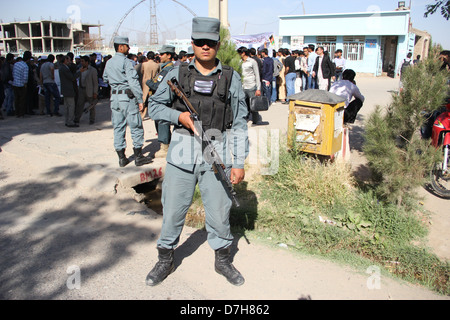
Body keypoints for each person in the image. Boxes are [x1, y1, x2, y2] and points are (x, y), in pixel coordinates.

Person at [146, 17, 249, 287]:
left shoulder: (230, 77)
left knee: (218, 210)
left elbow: (239, 122)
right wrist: (180, 119)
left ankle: (223, 260)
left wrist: (238, 162)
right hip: (182, 153)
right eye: (200, 42)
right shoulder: (177, 73)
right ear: (192, 43)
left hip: (217, 153)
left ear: (217, 44)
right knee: (173, 210)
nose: (205, 47)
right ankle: (165, 258)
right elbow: (154, 107)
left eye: (211, 43)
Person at [103, 36, 152, 168]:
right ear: (120, 47)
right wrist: (140, 99)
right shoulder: (126, 62)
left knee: (118, 127)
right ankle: (138, 156)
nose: (128, 48)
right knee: (135, 125)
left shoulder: (109, 62)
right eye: (127, 46)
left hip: (114, 98)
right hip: (127, 98)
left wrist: (116, 83)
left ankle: (122, 158)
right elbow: (133, 82)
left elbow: (105, 78)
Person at [151, 45, 176, 158]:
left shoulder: (167, 69)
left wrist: (149, 83)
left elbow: (158, 85)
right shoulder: (165, 68)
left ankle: (165, 146)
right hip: (162, 98)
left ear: (169, 55)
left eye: (162, 54)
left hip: (163, 99)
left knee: (162, 121)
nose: (160, 56)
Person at [237, 46, 262, 124]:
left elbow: (257, 75)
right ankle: (244, 120)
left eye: (239, 53)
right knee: (242, 105)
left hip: (251, 85)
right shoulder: (239, 62)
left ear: (243, 53)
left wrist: (258, 88)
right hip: (242, 86)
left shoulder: (252, 61)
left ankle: (255, 120)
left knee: (253, 105)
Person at [75, 56, 99, 125]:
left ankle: (92, 119)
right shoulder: (80, 69)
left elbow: (95, 82)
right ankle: (77, 118)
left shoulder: (93, 70)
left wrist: (95, 92)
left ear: (87, 62)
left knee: (91, 106)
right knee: (79, 105)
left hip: (90, 90)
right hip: (82, 89)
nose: (81, 63)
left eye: (83, 61)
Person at [140, 51, 160, 120]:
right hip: (153, 83)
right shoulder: (157, 65)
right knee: (152, 99)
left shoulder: (144, 64)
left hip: (145, 83)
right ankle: (152, 115)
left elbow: (142, 72)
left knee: (144, 99)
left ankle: (142, 115)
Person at [59, 55, 78, 127]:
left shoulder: (62, 68)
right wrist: (79, 72)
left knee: (66, 106)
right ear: (65, 60)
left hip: (65, 90)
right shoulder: (65, 69)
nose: (70, 61)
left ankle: (67, 121)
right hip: (69, 89)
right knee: (71, 106)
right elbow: (72, 77)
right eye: (69, 60)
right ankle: (70, 121)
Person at [12, 53, 29, 117]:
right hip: (21, 85)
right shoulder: (25, 66)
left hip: (15, 83)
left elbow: (13, 73)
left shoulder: (16, 64)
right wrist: (25, 84)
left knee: (16, 99)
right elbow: (25, 77)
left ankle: (17, 112)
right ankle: (21, 113)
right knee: (22, 99)